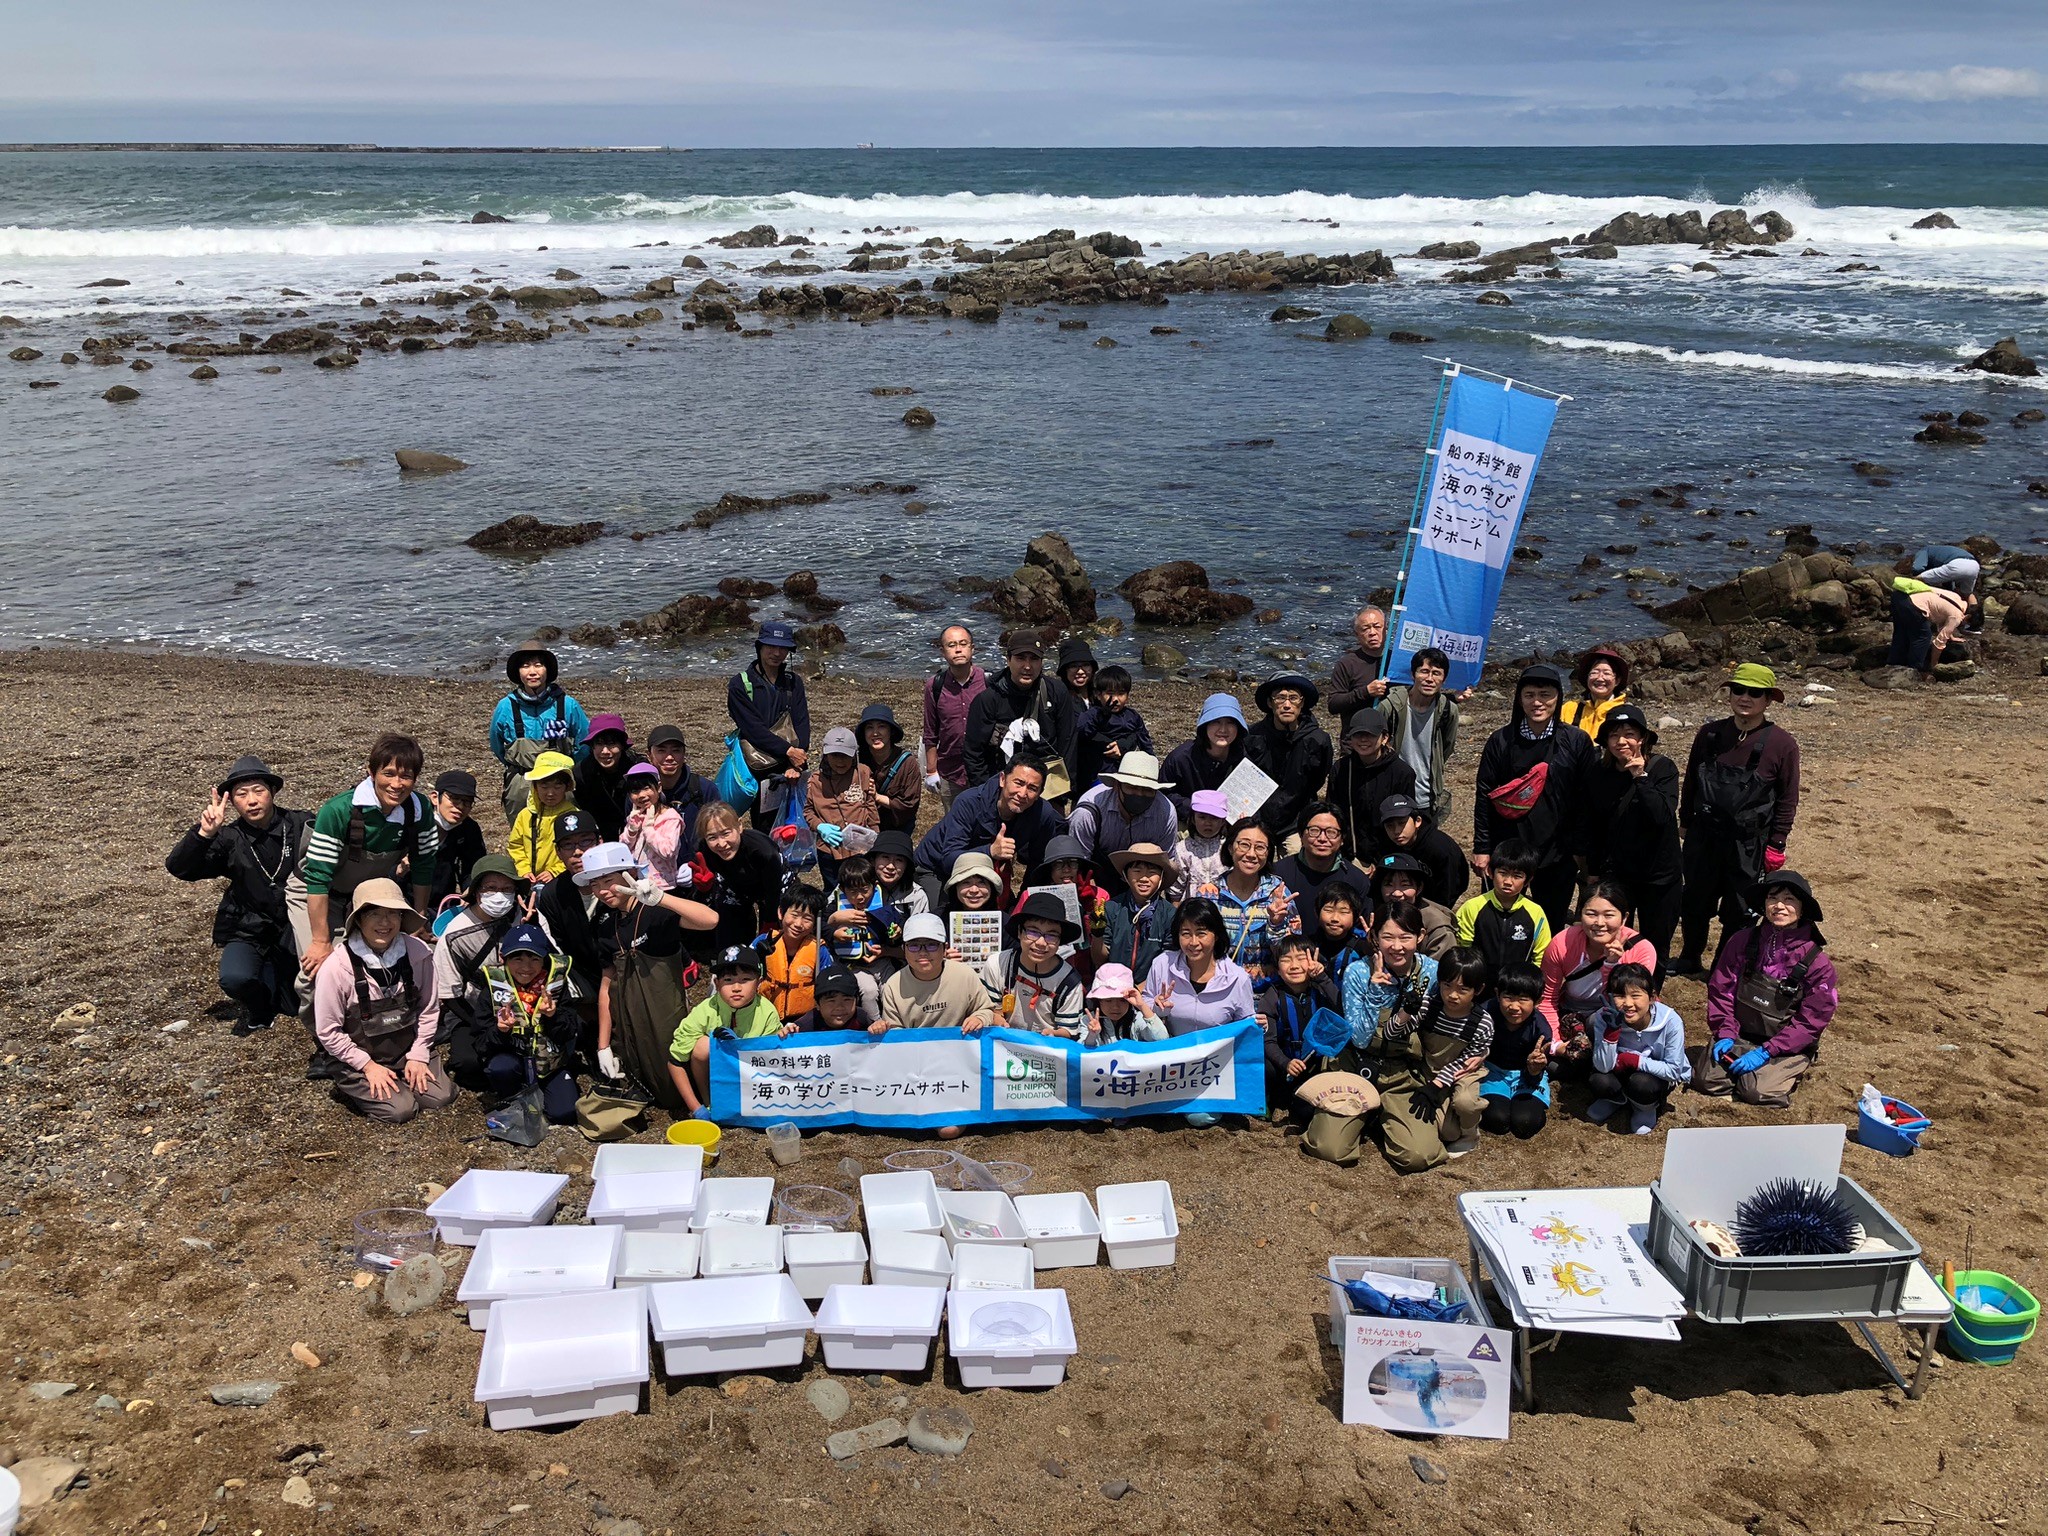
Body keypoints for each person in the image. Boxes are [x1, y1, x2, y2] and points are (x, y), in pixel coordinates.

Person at [293, 734, 439, 1060]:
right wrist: (320, 940)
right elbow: (316, 878)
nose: (397, 784)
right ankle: (327, 1045)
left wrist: (416, 918)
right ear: (370, 772)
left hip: (372, 897)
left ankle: (372, 1034)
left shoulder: (420, 811)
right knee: (315, 974)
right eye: (389, 773)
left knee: (388, 962)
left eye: (406, 776)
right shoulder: (339, 811)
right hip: (321, 893)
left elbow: (425, 865)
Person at [166, 754, 310, 1037]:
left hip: (296, 926)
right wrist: (204, 834)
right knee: (235, 979)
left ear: (273, 793)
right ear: (232, 802)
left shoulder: (300, 824)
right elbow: (179, 868)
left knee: (295, 1004)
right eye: (242, 794)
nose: (252, 800)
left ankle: (276, 975)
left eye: (259, 791)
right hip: (249, 927)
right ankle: (259, 1008)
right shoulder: (229, 838)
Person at [1672, 664, 1802, 977]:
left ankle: (1723, 968)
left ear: (1768, 700)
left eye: (1754, 693)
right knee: (1694, 902)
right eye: (1738, 690)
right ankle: (1690, 957)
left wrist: (1777, 843)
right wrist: (1684, 819)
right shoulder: (1710, 733)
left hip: (1748, 843)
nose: (1745, 698)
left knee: (1740, 910)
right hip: (1703, 836)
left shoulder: (1782, 744)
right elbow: (1691, 780)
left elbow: (1787, 798)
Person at [582, 841, 718, 1115]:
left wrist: (661, 898)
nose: (602, 890)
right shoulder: (604, 924)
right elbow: (606, 986)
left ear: (629, 874)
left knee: (671, 1071)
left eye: (608, 880)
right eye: (595, 884)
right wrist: (603, 1045)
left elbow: (710, 920)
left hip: (663, 1010)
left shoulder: (656, 910)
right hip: (628, 1014)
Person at [1303, 902, 1438, 1168]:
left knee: (1418, 1156)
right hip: (1355, 1066)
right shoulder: (1358, 972)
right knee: (1330, 1149)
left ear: (1420, 936)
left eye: (1405, 937)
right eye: (1387, 937)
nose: (1396, 946)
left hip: (1402, 1072)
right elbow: (1361, 1038)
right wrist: (1375, 994)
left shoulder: (1432, 972)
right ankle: (1362, 1119)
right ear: (1374, 937)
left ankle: (1382, 1116)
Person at [311, 877, 456, 1124]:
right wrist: (367, 1066)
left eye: (393, 914)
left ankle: (403, 1075)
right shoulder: (336, 968)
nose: (385, 923)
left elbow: (429, 1009)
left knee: (442, 1096)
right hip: (361, 1056)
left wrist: (419, 1054)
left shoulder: (419, 953)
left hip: (407, 1048)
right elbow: (328, 1031)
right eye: (374, 914)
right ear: (357, 920)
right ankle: (361, 1083)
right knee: (401, 1110)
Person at [1471, 662, 1597, 931]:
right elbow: (1484, 795)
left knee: (1550, 920)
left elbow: (1587, 799)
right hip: (1508, 846)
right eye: (1529, 695)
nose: (1537, 702)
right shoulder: (1501, 740)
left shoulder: (1576, 741)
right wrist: (1482, 847)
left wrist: (1580, 850)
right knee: (1502, 919)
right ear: (1519, 699)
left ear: (1558, 698)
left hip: (1557, 849)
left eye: (1545, 695)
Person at [1696, 871, 1838, 1107]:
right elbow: (1722, 989)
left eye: (1790, 900)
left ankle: (1793, 1067)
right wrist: (1725, 1031)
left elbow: (1811, 1021)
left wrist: (1768, 1051)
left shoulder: (1818, 965)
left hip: (1783, 1046)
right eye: (1773, 898)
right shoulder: (1741, 940)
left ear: (1802, 909)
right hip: (1739, 1035)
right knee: (1705, 1081)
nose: (1779, 906)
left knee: (1756, 1093)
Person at [1582, 705, 1682, 970]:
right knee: (1611, 937)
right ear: (1605, 741)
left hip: (1659, 875)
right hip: (1618, 873)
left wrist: (1640, 776)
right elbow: (1593, 825)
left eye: (1629, 733)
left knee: (1656, 942)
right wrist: (1592, 871)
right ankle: (1612, 990)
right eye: (1614, 735)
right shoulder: (1598, 774)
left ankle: (1651, 996)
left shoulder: (1662, 768)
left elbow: (1661, 815)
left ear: (1643, 738)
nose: (1622, 741)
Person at [1376, 945, 1494, 1161]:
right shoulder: (1428, 1007)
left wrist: (1438, 1084)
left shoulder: (1482, 1023)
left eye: (1463, 989)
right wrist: (1406, 1012)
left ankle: (1470, 1134)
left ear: (1478, 990)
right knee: (1446, 1131)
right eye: (1447, 986)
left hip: (1461, 1073)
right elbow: (1391, 1033)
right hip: (1428, 1071)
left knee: (1465, 1102)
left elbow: (1467, 1061)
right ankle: (1453, 1126)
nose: (1453, 995)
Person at [1538, 882, 1659, 1075]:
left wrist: (1612, 965)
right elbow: (1547, 999)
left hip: (1618, 1019)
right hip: (1571, 1016)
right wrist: (1556, 1043)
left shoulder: (1641, 950)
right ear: (1580, 914)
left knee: (1599, 1020)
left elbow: (1625, 1003)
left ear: (1624, 918)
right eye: (1591, 914)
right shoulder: (1562, 943)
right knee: (1556, 1066)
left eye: (1609, 915)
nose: (1599, 923)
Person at [434, 854, 530, 1085]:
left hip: (526, 1003)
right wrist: (481, 1024)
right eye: (491, 888)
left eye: (507, 888)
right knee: (468, 1064)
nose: (499, 895)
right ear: (476, 891)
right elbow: (449, 993)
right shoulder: (454, 935)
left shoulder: (526, 918)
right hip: (473, 1010)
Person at [670, 945, 795, 1117]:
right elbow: (675, 1061)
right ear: (716, 983)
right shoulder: (704, 1010)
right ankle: (709, 1103)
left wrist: (785, 1035)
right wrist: (695, 1108)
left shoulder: (767, 1011)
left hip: (750, 1080)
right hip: (714, 1080)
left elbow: (772, 1059)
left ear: (759, 982)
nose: (736, 987)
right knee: (702, 1046)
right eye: (728, 980)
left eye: (745, 980)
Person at [915, 753, 1068, 887]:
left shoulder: (1043, 814)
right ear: (1002, 779)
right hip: (936, 868)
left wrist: (1024, 900)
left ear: (1040, 793)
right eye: (1018, 783)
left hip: (984, 876)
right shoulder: (969, 802)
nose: (1023, 793)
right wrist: (989, 851)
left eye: (1032, 788)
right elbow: (948, 860)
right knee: (941, 916)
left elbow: (1038, 863)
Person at [479, 922, 579, 1123]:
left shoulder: (556, 988)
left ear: (545, 960)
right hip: (512, 1061)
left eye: (535, 958)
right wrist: (501, 1031)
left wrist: (553, 1016)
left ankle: (545, 1093)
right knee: (500, 1067)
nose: (526, 967)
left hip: (551, 1065)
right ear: (503, 959)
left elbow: (571, 1033)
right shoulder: (492, 990)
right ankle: (513, 1095)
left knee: (565, 1114)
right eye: (517, 958)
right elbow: (480, 1044)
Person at [962, 629, 1077, 796]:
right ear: (1008, 660)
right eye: (1020, 658)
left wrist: (1067, 789)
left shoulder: (1056, 691)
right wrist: (986, 794)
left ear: (1042, 662)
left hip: (1048, 787)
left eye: (1034, 659)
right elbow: (974, 753)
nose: (1027, 666)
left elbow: (1068, 741)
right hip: (1003, 787)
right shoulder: (988, 700)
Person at [489, 643, 590, 825]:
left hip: (559, 780)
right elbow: (497, 745)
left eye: (538, 665)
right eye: (526, 666)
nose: (532, 672)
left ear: (547, 670)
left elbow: (584, 742)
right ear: (518, 672)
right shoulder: (505, 706)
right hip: (521, 781)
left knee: (566, 832)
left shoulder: (567, 704)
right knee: (524, 835)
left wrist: (569, 768)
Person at [1586, 962, 1690, 1134]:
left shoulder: (1671, 1021)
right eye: (1619, 995)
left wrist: (1635, 1061)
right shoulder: (1604, 1018)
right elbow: (1603, 1066)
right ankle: (1616, 1099)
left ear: (1652, 997)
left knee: (1641, 1085)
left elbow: (1674, 1071)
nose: (1627, 1003)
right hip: (1619, 1069)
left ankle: (1645, 1108)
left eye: (1635, 995)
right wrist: (1611, 1033)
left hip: (1653, 1076)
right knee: (1599, 1080)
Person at [727, 619, 811, 830]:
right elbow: (752, 729)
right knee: (765, 824)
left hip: (793, 763)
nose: (777, 653)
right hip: (759, 765)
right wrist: (789, 750)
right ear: (759, 647)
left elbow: (802, 722)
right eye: (771, 646)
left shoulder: (794, 681)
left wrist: (797, 758)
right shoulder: (740, 684)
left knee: (797, 822)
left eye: (783, 648)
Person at [1194, 819, 1298, 979]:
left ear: (1268, 853)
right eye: (1244, 845)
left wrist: (1276, 924)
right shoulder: (1209, 894)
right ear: (1230, 847)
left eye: (1260, 847)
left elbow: (1292, 956)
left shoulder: (1278, 893)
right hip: (1218, 990)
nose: (1251, 854)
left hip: (1265, 994)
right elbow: (1195, 946)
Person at [530, 812, 609, 1023]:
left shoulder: (620, 880)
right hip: (584, 974)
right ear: (557, 851)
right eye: (568, 845)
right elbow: (559, 947)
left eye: (586, 841)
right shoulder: (552, 894)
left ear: (599, 841)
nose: (578, 852)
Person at [1256, 933, 1343, 1121]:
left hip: (1315, 1066)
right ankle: (1268, 1101)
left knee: (1303, 1114)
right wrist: (1285, 1063)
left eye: (1301, 959)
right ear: (1277, 969)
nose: (1294, 966)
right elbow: (1268, 1040)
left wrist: (1322, 978)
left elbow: (1342, 1008)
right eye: (1286, 960)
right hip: (1283, 1067)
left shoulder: (1320, 989)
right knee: (1265, 1065)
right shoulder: (1272, 997)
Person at [1067, 751, 1179, 896]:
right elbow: (1079, 862)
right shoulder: (1087, 812)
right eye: (1132, 787)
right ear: (1116, 785)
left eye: (1147, 790)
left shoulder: (1166, 813)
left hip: (1140, 878)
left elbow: (1166, 862)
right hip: (1095, 876)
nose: (1139, 794)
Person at [1246, 672, 1333, 854]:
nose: (1287, 705)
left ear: (1302, 703)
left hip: (1297, 820)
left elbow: (1317, 781)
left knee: (1298, 858)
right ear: (1270, 703)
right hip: (1259, 818)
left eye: (1293, 698)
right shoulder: (1252, 737)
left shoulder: (1318, 740)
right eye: (1280, 698)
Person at [690, 801, 787, 958]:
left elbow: (773, 889)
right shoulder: (703, 851)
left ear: (740, 826)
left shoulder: (763, 851)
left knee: (774, 942)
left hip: (774, 886)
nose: (721, 844)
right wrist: (704, 889)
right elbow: (702, 901)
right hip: (734, 886)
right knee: (728, 937)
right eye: (712, 837)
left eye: (726, 833)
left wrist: (770, 920)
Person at [883, 913, 1001, 1033]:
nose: (922, 952)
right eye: (914, 946)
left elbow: (985, 1009)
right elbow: (894, 1032)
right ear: (904, 949)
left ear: (945, 948)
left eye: (931, 945)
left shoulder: (965, 975)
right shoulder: (893, 986)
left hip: (961, 1047)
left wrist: (978, 1018)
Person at [1381, 645, 1460, 823]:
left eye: (1436, 673)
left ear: (1444, 679)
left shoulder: (1448, 710)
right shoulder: (1390, 707)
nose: (1429, 679)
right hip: (1393, 794)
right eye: (1424, 671)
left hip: (1427, 795)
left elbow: (1446, 748)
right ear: (1412, 674)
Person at [1328, 708, 1417, 865]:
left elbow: (1405, 820)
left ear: (1384, 738)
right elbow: (1332, 811)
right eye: (1358, 734)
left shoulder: (1402, 773)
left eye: (1370, 735)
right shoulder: (1340, 768)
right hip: (1349, 857)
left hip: (1387, 856)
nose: (1363, 739)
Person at [1452, 839, 1550, 977]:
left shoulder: (1536, 912)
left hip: (1516, 988)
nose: (1508, 882)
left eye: (1517, 876)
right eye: (1503, 873)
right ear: (1491, 872)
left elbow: (1541, 955)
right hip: (1479, 984)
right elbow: (1463, 949)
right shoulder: (1472, 907)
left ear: (1527, 880)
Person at [1477, 960, 1551, 1140]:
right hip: (1493, 1071)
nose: (1514, 1007)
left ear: (1537, 1001)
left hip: (1525, 1075)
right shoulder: (1484, 1015)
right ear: (1497, 994)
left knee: (1525, 1123)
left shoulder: (1541, 1029)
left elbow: (1535, 1073)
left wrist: (1534, 1069)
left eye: (1523, 999)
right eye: (1508, 997)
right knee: (1497, 1120)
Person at [922, 623, 986, 809]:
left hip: (984, 770)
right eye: (951, 645)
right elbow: (930, 732)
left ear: (972, 648)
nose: (958, 649)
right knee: (955, 825)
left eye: (963, 644)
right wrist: (931, 770)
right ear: (943, 651)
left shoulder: (988, 681)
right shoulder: (935, 686)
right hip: (950, 772)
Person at [805, 725, 879, 885]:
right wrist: (820, 827)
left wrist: (875, 833)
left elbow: (869, 804)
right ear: (825, 755)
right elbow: (808, 812)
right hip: (829, 848)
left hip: (859, 846)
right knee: (832, 887)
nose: (840, 761)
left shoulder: (863, 773)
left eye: (845, 756)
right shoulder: (815, 781)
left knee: (862, 884)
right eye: (835, 755)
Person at [823, 856, 895, 1017]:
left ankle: (894, 1024)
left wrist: (896, 932)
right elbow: (820, 926)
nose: (860, 897)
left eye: (864, 890)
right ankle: (875, 1024)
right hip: (854, 965)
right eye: (853, 892)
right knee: (869, 992)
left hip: (882, 961)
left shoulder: (883, 900)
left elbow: (895, 924)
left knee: (891, 989)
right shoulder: (836, 905)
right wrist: (834, 926)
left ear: (874, 886)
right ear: (843, 890)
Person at [1160, 693, 1249, 821]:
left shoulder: (1243, 757)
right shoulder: (1180, 758)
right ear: (1205, 725)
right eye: (1216, 722)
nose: (1223, 729)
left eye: (1230, 722)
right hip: (1189, 822)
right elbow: (1163, 793)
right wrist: (1197, 809)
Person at [1099, 843, 1178, 981]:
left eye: (1152, 872)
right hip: (1113, 987)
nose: (1143, 878)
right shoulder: (1112, 908)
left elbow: (1168, 961)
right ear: (1126, 874)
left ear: (1162, 877)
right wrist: (1097, 936)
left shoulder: (1170, 914)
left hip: (1152, 989)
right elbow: (1100, 959)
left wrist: (1141, 989)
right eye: (1137, 870)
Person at [1275, 801, 1372, 912]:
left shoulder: (1357, 881)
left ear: (1342, 838)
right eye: (1314, 831)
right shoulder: (1278, 874)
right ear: (1301, 834)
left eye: (1331, 832)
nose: (1322, 838)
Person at [1377, 794, 1468, 909]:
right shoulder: (1387, 843)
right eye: (1390, 826)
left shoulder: (1440, 848)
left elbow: (1450, 889)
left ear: (1417, 821)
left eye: (1402, 823)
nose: (1396, 831)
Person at [1072, 664, 1153, 792]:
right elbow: (1082, 731)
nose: (1115, 699)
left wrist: (1151, 766)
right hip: (1098, 773)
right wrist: (1102, 714)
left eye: (1121, 694)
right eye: (1110, 694)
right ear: (1098, 694)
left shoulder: (1132, 716)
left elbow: (1144, 741)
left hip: (1125, 770)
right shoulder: (1093, 714)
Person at [644, 723, 716, 863]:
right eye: (661, 751)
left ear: (684, 755)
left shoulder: (704, 789)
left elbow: (719, 831)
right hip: (654, 874)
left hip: (698, 870)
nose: (669, 757)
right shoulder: (641, 793)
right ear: (649, 755)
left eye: (676, 751)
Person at [509, 750, 579, 883]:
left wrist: (555, 871)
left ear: (567, 787)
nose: (550, 793)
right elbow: (516, 845)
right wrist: (524, 870)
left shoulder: (573, 816)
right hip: (529, 879)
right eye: (544, 786)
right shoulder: (526, 815)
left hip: (562, 880)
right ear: (535, 787)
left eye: (557, 786)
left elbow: (579, 850)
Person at [573, 714, 643, 842]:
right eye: (599, 744)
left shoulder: (638, 769)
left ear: (622, 745)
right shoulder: (581, 773)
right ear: (592, 746)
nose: (605, 751)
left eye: (612, 744)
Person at [1370, 853, 1455, 958]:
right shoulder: (1372, 914)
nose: (1397, 893)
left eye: (1405, 885)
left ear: (1419, 888)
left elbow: (1444, 970)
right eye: (1389, 884)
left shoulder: (1438, 927)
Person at [760, 886, 825, 1022]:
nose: (798, 924)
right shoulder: (763, 943)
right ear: (780, 913)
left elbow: (828, 986)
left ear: (815, 924)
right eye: (794, 915)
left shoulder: (820, 950)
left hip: (804, 1021)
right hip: (766, 1016)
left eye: (807, 919)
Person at [1887, 573, 1970, 678]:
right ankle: (1914, 669)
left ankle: (1893, 663)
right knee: (1923, 636)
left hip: (1900, 596)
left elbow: (1943, 614)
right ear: (1967, 617)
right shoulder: (1957, 616)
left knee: (1901, 632)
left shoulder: (1956, 598)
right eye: (1965, 624)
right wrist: (1934, 665)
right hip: (1913, 604)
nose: (1961, 625)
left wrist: (1951, 636)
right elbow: (1938, 644)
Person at [427, 769, 486, 914]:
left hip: (445, 903)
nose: (460, 806)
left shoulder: (469, 828)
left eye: (467, 802)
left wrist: (469, 890)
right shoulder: (415, 823)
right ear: (435, 797)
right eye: (454, 798)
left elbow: (473, 866)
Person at [858, 703, 922, 835]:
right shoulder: (856, 760)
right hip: (863, 825)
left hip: (896, 828)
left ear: (891, 731)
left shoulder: (908, 763)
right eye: (869, 728)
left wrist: (876, 797)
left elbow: (910, 805)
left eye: (881, 726)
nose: (875, 733)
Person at [620, 762, 686, 888]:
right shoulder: (635, 816)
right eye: (635, 791)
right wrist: (632, 830)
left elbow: (668, 851)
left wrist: (648, 829)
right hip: (637, 884)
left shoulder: (670, 817)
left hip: (663, 886)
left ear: (659, 787)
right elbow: (623, 849)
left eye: (646, 788)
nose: (641, 795)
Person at [1326, 605, 1391, 720]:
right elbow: (1333, 705)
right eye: (1365, 629)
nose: (1372, 633)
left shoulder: (1395, 660)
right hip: (1355, 734)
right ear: (1357, 635)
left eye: (1377, 627)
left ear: (1386, 629)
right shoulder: (1347, 664)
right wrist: (1366, 692)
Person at [1308, 881, 1373, 986]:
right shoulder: (1308, 945)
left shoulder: (1363, 946)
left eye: (1343, 912)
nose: (1335, 918)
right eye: (1328, 910)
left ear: (1355, 916)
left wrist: (1374, 946)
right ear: (1317, 912)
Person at [1084, 963, 1167, 1044]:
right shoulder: (1088, 1020)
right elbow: (1081, 1053)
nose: (1115, 1007)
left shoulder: (1137, 1019)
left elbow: (1162, 1038)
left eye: (1122, 1000)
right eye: (1108, 1000)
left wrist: (1142, 1005)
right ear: (1099, 1000)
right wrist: (1092, 1035)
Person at [1559, 645, 1631, 739]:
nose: (1600, 678)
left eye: (1606, 673)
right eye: (1595, 672)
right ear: (1587, 677)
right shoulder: (1568, 709)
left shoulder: (1626, 713)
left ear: (1617, 680)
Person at [1171, 788, 1231, 896]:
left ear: (1222, 821)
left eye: (1214, 818)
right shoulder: (1182, 849)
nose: (1208, 823)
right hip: (1192, 909)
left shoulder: (1229, 848)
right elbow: (1176, 890)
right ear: (1193, 819)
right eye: (1202, 817)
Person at [785, 966, 875, 1033]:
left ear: (856, 1000)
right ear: (817, 1004)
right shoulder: (804, 1027)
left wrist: (880, 1028)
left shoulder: (862, 1018)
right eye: (831, 1001)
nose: (839, 1007)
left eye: (846, 999)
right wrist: (787, 1034)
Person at [871, 831, 932, 916]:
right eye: (885, 857)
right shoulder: (858, 886)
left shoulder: (916, 896)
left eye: (899, 860)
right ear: (873, 860)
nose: (891, 866)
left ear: (906, 866)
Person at [1057, 636, 1097, 700]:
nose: (1080, 672)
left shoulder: (1101, 695)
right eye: (1074, 666)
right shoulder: (1058, 698)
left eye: (1085, 665)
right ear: (1065, 670)